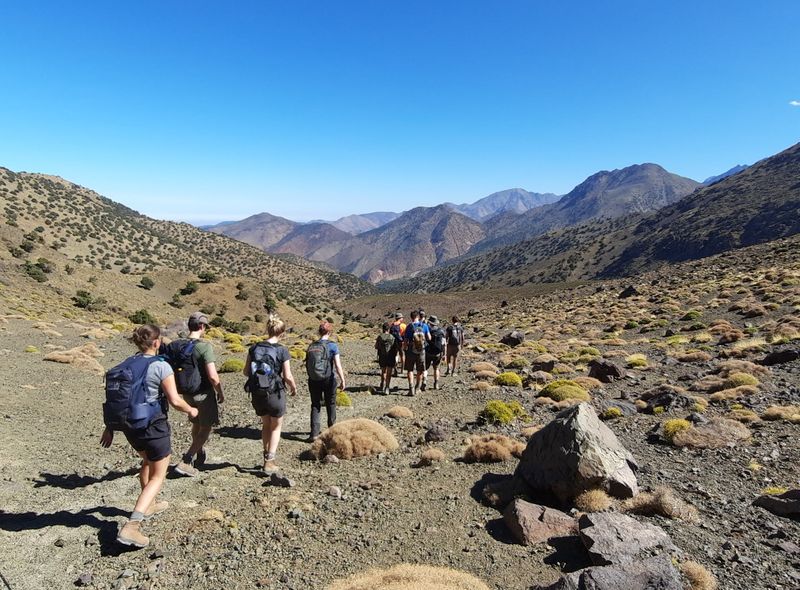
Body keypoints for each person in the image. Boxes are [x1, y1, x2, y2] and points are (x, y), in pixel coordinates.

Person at [100, 325, 199, 549]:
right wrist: (191, 410)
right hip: (153, 425)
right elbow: (175, 400)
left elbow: (116, 399)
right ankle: (132, 525)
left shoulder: (126, 364)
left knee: (147, 460)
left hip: (130, 427)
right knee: (158, 476)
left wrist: (109, 427)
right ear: (156, 342)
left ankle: (150, 504)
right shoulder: (161, 365)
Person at [170, 312, 225, 477]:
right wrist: (220, 392)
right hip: (203, 393)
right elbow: (213, 376)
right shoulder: (204, 347)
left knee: (196, 424)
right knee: (205, 427)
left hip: (186, 393)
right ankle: (186, 460)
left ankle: (199, 452)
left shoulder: (176, 345)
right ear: (201, 326)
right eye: (205, 326)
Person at [243, 314, 297, 473]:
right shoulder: (282, 350)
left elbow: (246, 371)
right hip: (275, 393)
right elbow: (287, 375)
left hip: (257, 393)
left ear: (268, 329)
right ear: (282, 333)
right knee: (276, 427)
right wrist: (293, 387)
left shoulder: (254, 348)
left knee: (266, 425)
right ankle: (270, 461)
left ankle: (265, 457)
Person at [306, 321, 346, 441]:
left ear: (319, 332)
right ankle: (332, 431)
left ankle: (314, 433)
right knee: (331, 403)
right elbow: (337, 365)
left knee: (315, 404)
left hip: (313, 379)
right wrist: (342, 379)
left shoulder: (312, 345)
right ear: (330, 332)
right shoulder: (332, 346)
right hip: (328, 379)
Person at [403, 310, 430, 396]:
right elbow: (429, 337)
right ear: (418, 316)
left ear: (411, 317)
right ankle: (417, 388)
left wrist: (405, 348)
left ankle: (411, 388)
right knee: (420, 370)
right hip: (421, 350)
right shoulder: (424, 325)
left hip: (411, 349)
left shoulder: (409, 326)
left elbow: (405, 340)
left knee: (410, 370)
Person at [375, 322, 397, 394]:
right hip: (390, 356)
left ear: (383, 329)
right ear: (389, 329)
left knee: (383, 371)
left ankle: (382, 383)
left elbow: (376, 346)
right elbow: (395, 348)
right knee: (389, 372)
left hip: (382, 355)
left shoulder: (379, 337)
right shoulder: (392, 337)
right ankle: (387, 387)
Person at [425, 315, 446, 390]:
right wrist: (444, 354)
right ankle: (436, 384)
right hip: (437, 353)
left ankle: (424, 382)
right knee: (436, 368)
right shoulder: (441, 331)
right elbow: (443, 344)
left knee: (425, 369)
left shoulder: (427, 330)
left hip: (428, 352)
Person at [389, 312, 406, 376]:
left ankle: (395, 370)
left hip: (394, 342)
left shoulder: (392, 325)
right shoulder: (403, 325)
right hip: (401, 342)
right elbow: (405, 335)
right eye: (402, 318)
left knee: (396, 355)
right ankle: (402, 370)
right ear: (400, 318)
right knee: (402, 355)